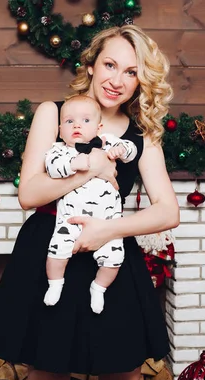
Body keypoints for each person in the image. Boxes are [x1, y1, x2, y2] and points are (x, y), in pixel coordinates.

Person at [0, 24, 179, 380]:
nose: (117, 80)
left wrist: (106, 231)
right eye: (110, 65)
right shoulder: (51, 114)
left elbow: (168, 211)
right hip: (51, 249)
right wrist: (95, 167)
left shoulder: (142, 133)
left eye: (131, 72)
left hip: (112, 259)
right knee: (48, 371)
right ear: (90, 66)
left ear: (141, 82)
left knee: (122, 374)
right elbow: (29, 193)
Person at [43, 95, 138, 314]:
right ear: (60, 130)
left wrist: (120, 150)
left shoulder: (106, 141)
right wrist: (73, 163)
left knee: (114, 259)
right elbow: (52, 167)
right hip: (71, 220)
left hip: (107, 222)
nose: (77, 125)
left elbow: (131, 150)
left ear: (98, 126)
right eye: (69, 121)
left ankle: (99, 287)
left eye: (86, 121)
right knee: (56, 251)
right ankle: (55, 284)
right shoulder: (60, 150)